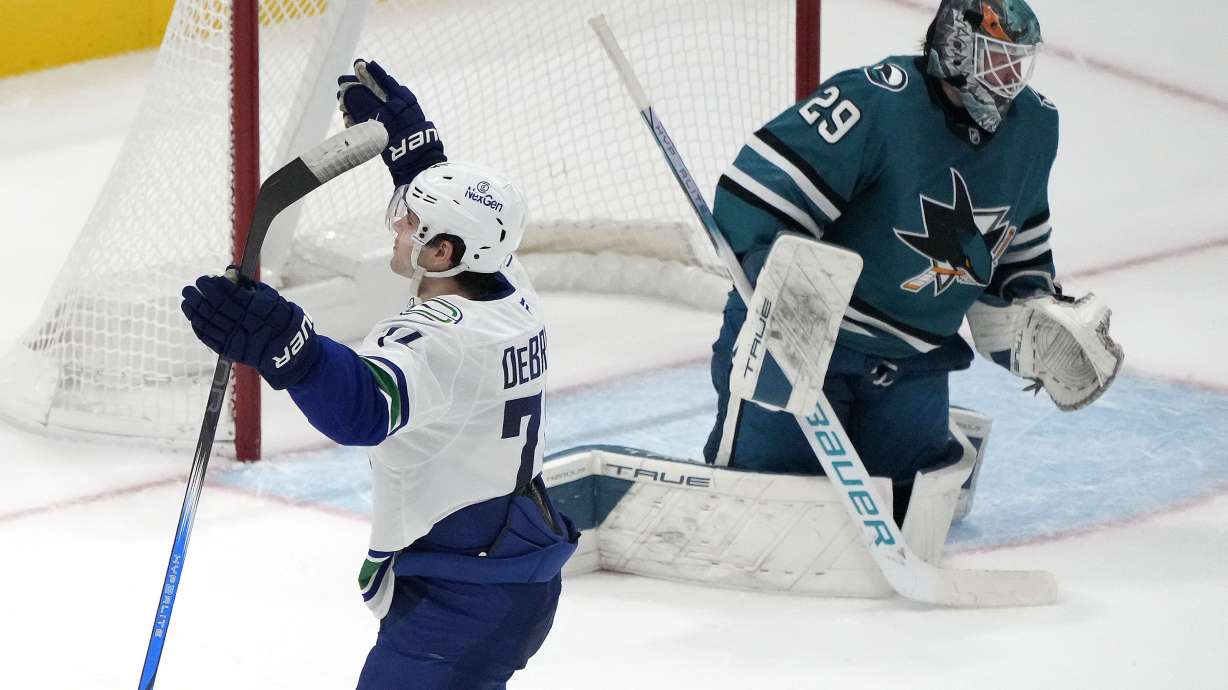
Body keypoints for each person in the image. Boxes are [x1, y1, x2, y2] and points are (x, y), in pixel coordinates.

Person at [181, 59, 577, 689]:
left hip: (461, 599)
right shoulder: (510, 293)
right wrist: (414, 150)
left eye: (412, 223)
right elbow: (462, 230)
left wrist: (288, 342)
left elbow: (363, 410)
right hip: (507, 573)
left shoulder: (438, 338)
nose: (397, 225)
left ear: (443, 252)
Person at [704, 0, 1121, 523]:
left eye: (1019, 61)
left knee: (912, 509)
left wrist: (1030, 319)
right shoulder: (877, 103)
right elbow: (753, 198)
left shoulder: (1035, 127)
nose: (1010, 77)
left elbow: (1015, 256)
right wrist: (787, 302)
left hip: (912, 360)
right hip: (804, 343)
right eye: (996, 58)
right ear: (955, 47)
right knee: (766, 509)